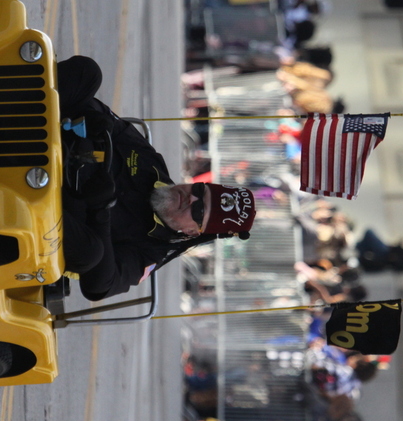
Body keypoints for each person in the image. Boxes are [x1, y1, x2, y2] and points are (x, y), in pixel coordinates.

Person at [56, 56, 257, 301]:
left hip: (50, 213)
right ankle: (1, 114)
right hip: (49, 147)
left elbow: (99, 287)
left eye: (198, 211)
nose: (190, 199)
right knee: (88, 73)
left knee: (90, 253)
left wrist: (100, 212)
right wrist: (99, 120)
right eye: (199, 190)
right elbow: (114, 124)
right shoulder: (152, 165)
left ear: (192, 232)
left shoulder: (151, 251)